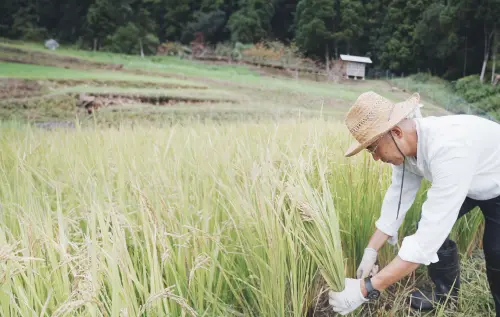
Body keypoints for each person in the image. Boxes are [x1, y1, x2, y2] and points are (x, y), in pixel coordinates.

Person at [328, 91, 500, 316]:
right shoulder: (405, 150)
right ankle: (445, 295)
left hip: (495, 180)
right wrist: (371, 249)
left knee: (496, 249)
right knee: (424, 224)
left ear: (396, 132)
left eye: (373, 148)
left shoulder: (450, 150)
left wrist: (364, 289)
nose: (375, 158)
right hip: (469, 181)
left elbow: (426, 241)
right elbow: (397, 198)